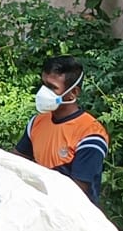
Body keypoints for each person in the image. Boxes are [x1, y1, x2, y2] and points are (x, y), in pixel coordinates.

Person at [14, 56, 109, 204]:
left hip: (71, 218)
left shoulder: (90, 134)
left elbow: (76, 192)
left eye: (52, 87)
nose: (43, 92)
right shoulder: (37, 122)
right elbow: (15, 161)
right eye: (43, 84)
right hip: (39, 208)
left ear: (74, 93)